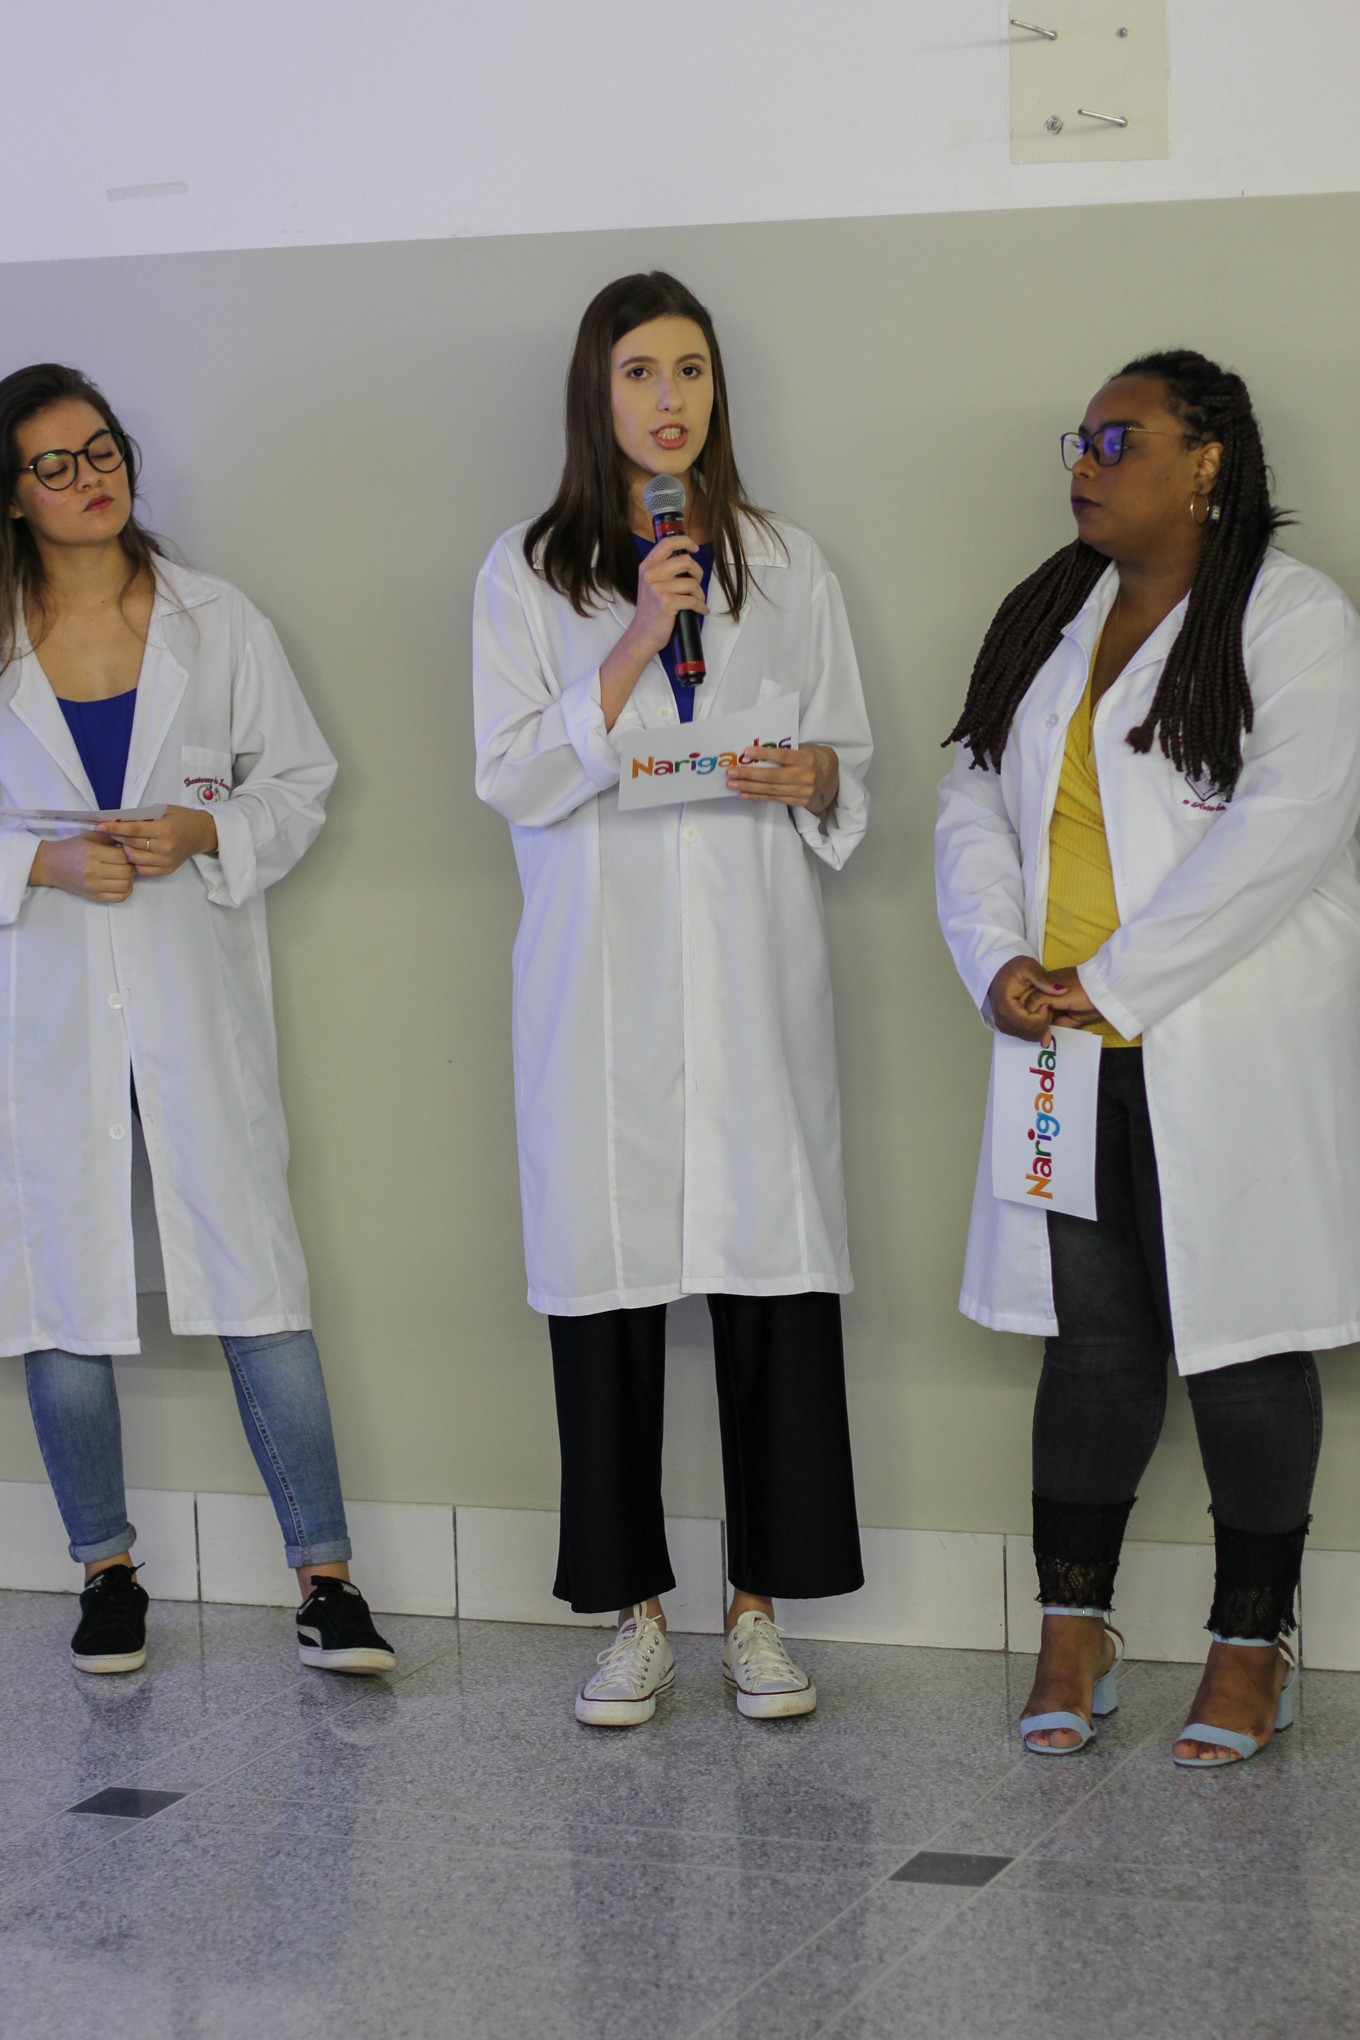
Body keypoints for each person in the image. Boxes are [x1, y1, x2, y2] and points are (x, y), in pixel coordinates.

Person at [936, 349, 1360, 1766]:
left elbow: (1287, 831)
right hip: (1063, 1048)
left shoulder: (1294, 620)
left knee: (1244, 1342)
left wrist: (1109, 981)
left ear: (1208, 462)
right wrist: (999, 960)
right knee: (1094, 1347)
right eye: (1080, 437)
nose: (1086, 460)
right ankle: (1076, 1631)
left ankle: (1251, 1645)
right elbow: (970, 796)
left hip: (1225, 1041)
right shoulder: (1047, 617)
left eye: (1119, 439)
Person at [473, 271, 871, 1726]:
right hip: (604, 985)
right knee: (610, 1290)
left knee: (773, 1285)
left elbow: (845, 759)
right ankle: (634, 1616)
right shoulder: (526, 572)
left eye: (690, 368)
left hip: (752, 973)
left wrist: (816, 777)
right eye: (639, 370)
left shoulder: (786, 560)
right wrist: (638, 633)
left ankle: (760, 1614)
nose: (669, 398)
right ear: (598, 392)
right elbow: (513, 773)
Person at [0, 363, 395, 1678]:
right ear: (13, 495)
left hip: (192, 997)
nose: (90, 478)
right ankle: (105, 1573)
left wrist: (204, 830)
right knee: (61, 1288)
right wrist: (39, 864)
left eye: (101, 449)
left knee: (254, 1275)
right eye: (54, 465)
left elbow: (300, 782)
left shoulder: (217, 622)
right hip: (48, 1015)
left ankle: (327, 1581)